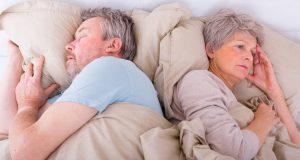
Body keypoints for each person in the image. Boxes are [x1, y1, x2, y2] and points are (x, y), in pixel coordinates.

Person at [0, 7, 162, 159]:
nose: (68, 46)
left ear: (112, 45)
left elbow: (24, 152)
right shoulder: (77, 94)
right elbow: (9, 129)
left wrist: (28, 106)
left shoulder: (110, 67)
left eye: (82, 36)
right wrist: (15, 59)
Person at [170, 9, 300, 159]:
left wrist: (273, 90)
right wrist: (264, 120)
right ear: (212, 50)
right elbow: (234, 150)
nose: (248, 57)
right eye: (239, 46)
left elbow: (294, 145)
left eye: (252, 52)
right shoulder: (198, 82)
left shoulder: (231, 97)